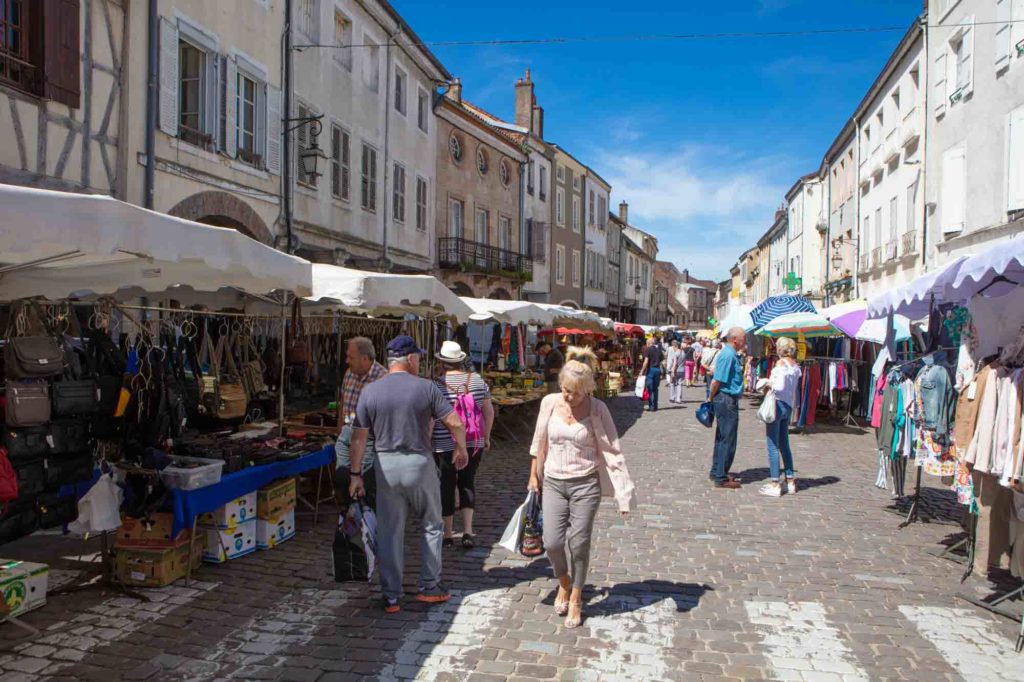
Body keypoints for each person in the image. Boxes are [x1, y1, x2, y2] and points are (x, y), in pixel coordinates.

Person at [349, 335, 469, 614]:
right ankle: (429, 586)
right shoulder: (426, 387)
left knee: (390, 531)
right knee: (431, 524)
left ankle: (391, 596)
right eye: (418, 358)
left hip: (385, 465)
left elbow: (358, 439)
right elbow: (455, 422)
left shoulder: (370, 391)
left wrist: (355, 474)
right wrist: (460, 447)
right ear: (411, 359)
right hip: (419, 462)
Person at [528, 347, 635, 629]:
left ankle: (575, 596)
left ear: (587, 389)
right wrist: (533, 476)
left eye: (574, 392)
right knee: (551, 542)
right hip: (552, 480)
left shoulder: (598, 409)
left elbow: (613, 451)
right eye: (564, 389)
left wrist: (624, 495)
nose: (568, 396)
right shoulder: (550, 403)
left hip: (585, 484)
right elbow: (539, 441)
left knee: (579, 542)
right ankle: (563, 581)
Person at [432, 341, 495, 548]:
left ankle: (448, 533)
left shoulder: (436, 385)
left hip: (444, 442)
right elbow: (488, 411)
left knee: (446, 484)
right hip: (472, 440)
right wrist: (486, 436)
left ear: (442, 362)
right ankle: (468, 531)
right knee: (467, 482)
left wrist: (427, 440)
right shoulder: (478, 381)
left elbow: (431, 417)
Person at [336, 337, 388, 508]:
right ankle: (347, 519)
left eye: (350, 357)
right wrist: (340, 430)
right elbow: (343, 402)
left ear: (364, 358)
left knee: (364, 484)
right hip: (347, 434)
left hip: (368, 439)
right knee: (343, 479)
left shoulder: (383, 378)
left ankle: (367, 522)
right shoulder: (349, 373)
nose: (346, 361)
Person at [758, 337, 801, 497]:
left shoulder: (780, 364)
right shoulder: (796, 366)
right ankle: (790, 480)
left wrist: (768, 384)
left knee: (772, 444)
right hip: (788, 405)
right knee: (785, 444)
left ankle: (775, 482)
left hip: (777, 404)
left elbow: (780, 386)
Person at [708, 327, 747, 490]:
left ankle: (717, 471)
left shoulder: (732, 354)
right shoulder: (728, 355)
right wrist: (710, 399)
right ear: (735, 339)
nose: (745, 341)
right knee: (727, 439)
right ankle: (721, 477)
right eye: (744, 338)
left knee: (722, 437)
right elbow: (716, 380)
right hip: (725, 399)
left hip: (726, 399)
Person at [638, 337, 665, 411]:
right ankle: (655, 406)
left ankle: (651, 406)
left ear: (649, 343)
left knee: (650, 389)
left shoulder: (648, 350)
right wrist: (664, 372)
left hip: (651, 370)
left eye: (647, 343)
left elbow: (646, 361)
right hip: (657, 370)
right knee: (655, 389)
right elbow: (663, 362)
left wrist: (642, 371)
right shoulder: (659, 351)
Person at [666, 340, 683, 404]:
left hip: (675, 370)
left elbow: (675, 363)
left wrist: (672, 371)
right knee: (679, 384)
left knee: (672, 383)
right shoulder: (683, 352)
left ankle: (672, 397)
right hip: (682, 370)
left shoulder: (676, 353)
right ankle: (678, 398)